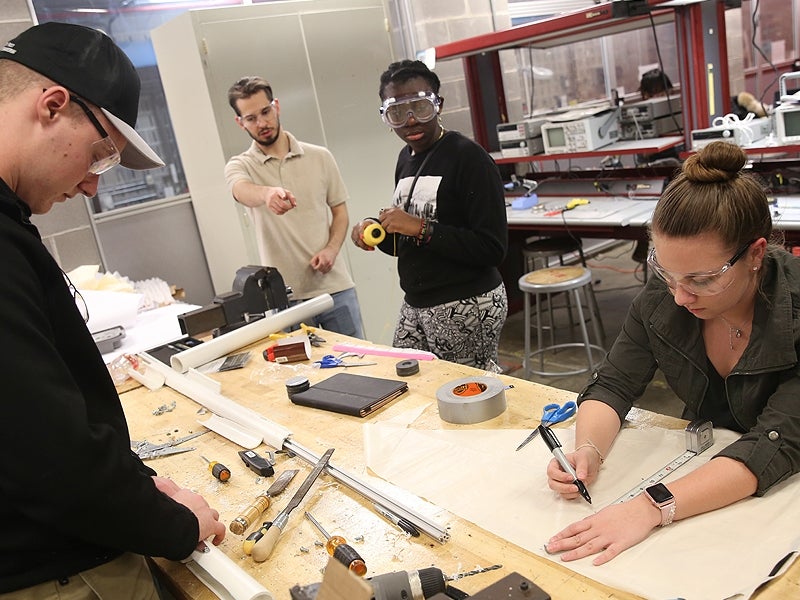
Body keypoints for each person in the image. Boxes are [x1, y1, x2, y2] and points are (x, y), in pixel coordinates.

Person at [0, 22, 225, 597]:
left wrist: (141, 486)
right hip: (51, 570)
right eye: (102, 157)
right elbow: (44, 451)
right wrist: (174, 525)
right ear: (52, 106)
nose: (93, 187)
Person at [544, 141, 800, 565]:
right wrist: (587, 449)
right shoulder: (668, 296)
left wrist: (649, 507)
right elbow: (613, 383)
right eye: (667, 273)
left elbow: (775, 443)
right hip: (711, 478)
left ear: (755, 254)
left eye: (701, 279)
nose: (681, 297)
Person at [350, 60, 508, 369]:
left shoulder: (468, 157)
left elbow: (493, 248)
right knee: (408, 379)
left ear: (438, 105)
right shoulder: (405, 159)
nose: (409, 121)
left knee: (466, 397)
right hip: (419, 300)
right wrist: (379, 230)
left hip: (466, 301)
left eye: (420, 107)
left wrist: (420, 228)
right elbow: (405, 244)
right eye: (397, 113)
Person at [225, 76, 364, 338]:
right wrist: (267, 194)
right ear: (239, 122)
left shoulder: (320, 156)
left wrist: (332, 249)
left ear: (276, 106)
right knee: (301, 377)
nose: (262, 123)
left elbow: (340, 212)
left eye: (266, 112)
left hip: (336, 288)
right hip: (284, 299)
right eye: (251, 118)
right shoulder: (241, 165)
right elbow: (240, 189)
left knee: (360, 368)